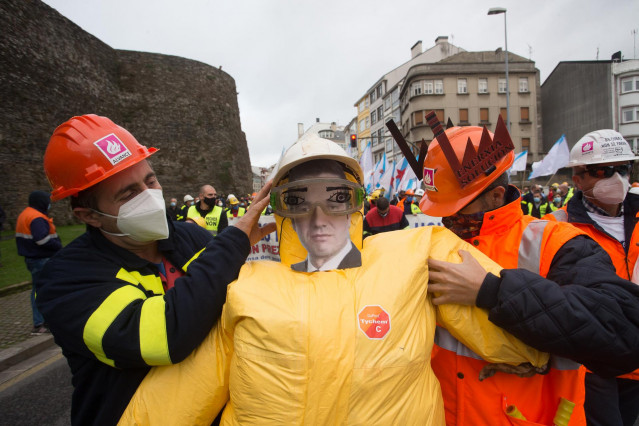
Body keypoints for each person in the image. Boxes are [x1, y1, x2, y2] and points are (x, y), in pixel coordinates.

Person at [119, 134, 548, 425]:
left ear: (358, 203)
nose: (320, 216)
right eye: (299, 201)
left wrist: (496, 294)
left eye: (337, 198)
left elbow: (521, 341)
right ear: (279, 210)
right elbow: (171, 404)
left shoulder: (416, 253)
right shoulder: (245, 286)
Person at [35, 114, 275, 426]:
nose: (149, 196)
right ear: (89, 216)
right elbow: (166, 336)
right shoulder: (63, 281)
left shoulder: (195, 238)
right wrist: (234, 243)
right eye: (129, 193)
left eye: (150, 181)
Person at [416, 114, 639, 425]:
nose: (448, 220)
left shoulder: (554, 242)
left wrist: (493, 291)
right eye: (442, 211)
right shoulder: (433, 245)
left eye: (456, 209)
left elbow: (624, 330)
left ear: (495, 196)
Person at [545, 129, 639, 426]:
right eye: (603, 170)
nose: (617, 178)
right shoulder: (554, 227)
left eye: (623, 168)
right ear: (578, 180)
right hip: (589, 362)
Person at [15, 190, 62, 335]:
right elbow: (41, 239)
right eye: (47, 201)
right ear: (41, 202)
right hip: (41, 258)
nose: (49, 204)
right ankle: (41, 323)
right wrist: (57, 245)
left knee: (40, 288)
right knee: (42, 290)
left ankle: (44, 320)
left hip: (33, 258)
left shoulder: (26, 214)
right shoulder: (37, 218)